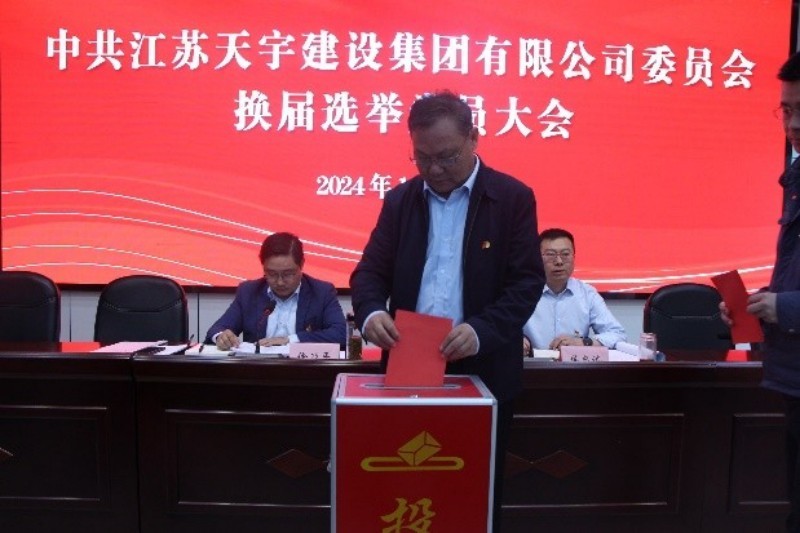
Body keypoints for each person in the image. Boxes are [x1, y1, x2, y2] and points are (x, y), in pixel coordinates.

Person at [350, 90, 545, 531]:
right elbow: (369, 274)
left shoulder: (512, 198)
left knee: (473, 492)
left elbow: (525, 283)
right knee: (406, 486)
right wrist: (371, 313)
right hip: (409, 367)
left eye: (446, 157)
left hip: (484, 370)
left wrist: (480, 331)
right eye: (422, 158)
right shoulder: (401, 201)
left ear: (474, 139)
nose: (434, 169)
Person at [720, 52, 800, 532]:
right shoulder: (797, 177)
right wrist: (760, 303)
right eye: (786, 109)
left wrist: (782, 306)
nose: (793, 124)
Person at [206, 232, 346, 349]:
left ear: (301, 264)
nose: (279, 282)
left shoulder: (321, 292)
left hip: (304, 370)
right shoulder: (249, 292)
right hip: (258, 370)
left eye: (288, 274)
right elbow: (217, 329)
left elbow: (341, 334)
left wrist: (290, 340)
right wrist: (222, 337)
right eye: (271, 274)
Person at [522, 228, 626, 354]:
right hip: (531, 365)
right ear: (537, 258)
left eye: (565, 254)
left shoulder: (587, 294)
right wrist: (514, 340)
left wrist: (584, 343)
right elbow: (503, 329)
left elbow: (617, 334)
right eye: (550, 255)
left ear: (574, 257)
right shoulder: (522, 292)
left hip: (573, 365)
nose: (559, 262)